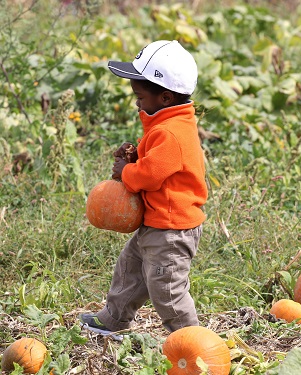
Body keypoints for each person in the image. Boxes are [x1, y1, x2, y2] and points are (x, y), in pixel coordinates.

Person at [80, 40, 208, 334]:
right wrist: (136, 156)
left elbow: (151, 176)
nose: (137, 102)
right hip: (157, 224)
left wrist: (127, 171)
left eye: (139, 96)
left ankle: (192, 339)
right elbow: (160, 167)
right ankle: (115, 318)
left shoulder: (170, 132)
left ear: (164, 97)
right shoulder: (166, 123)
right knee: (130, 271)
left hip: (171, 231)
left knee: (167, 289)